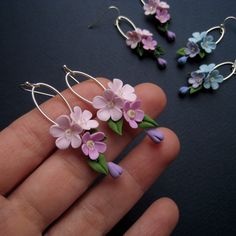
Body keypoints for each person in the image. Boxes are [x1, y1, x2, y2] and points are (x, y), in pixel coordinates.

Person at [0, 78, 180, 235]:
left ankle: (146, 130)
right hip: (86, 137)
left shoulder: (97, 116)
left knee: (123, 122)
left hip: (106, 120)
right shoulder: (74, 131)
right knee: (95, 151)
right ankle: (112, 160)